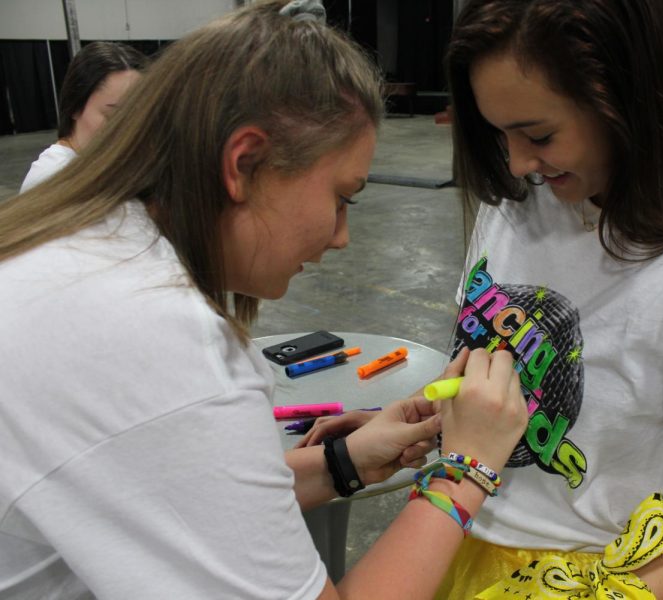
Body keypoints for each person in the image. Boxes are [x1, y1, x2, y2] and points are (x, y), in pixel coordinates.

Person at [0, 2, 527, 599]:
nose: (341, 236)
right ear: (244, 163)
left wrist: (341, 462)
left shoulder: (83, 245)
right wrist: (464, 469)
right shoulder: (157, 336)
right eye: (342, 196)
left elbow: (187, 491)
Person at [433, 0, 663, 598]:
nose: (520, 164)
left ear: (625, 99)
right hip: (463, 532)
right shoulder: (514, 206)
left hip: (602, 576)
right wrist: (421, 422)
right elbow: (487, 371)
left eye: (540, 135)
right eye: (500, 135)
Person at [20, 41, 146, 192]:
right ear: (76, 106)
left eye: (137, 115)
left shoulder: (104, 163)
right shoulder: (53, 178)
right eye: (113, 117)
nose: (129, 128)